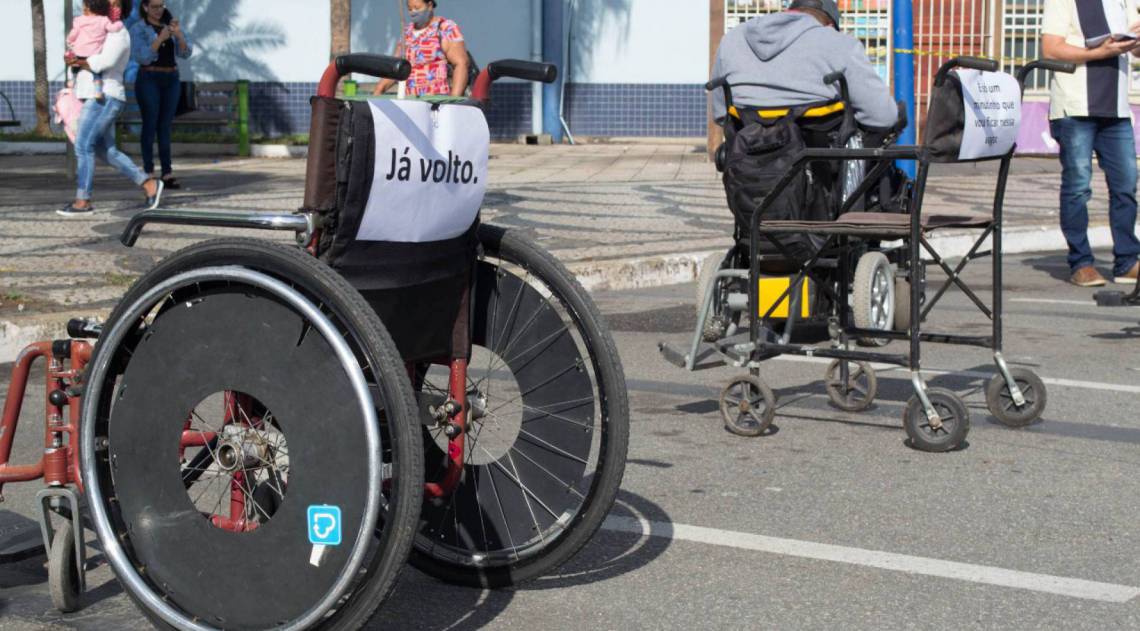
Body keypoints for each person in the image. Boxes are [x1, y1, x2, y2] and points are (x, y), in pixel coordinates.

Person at [1042, 0, 1140, 286]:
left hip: (1117, 109)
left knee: (1126, 186)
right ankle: (1081, 262)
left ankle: (1127, 260)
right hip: (1075, 108)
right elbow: (1050, 48)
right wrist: (1097, 52)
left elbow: (1133, 49)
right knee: (1077, 188)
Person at [710, 0, 897, 130]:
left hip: (748, 165)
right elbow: (883, 117)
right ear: (829, 25)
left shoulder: (732, 39)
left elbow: (721, 115)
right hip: (819, 175)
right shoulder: (841, 44)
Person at [60, 0, 163, 218]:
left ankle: (83, 201)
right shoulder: (97, 30)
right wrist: (75, 59)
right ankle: (148, 183)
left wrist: (79, 60)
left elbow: (103, 62)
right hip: (92, 95)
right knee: (105, 151)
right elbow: (82, 56)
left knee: (83, 146)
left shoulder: (119, 34)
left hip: (105, 96)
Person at [130, 0, 193, 190]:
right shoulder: (138, 29)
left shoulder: (170, 27)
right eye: (155, 6)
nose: (159, 10)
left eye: (161, 6)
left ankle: (167, 172)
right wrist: (159, 38)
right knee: (150, 123)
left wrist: (179, 35)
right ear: (145, 7)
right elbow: (141, 57)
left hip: (171, 78)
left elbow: (185, 54)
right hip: (149, 76)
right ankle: (148, 172)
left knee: (165, 126)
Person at [372, 0, 470, 97]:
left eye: (417, 8)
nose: (413, 12)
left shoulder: (445, 28)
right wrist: (379, 90)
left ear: (430, 5)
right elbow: (396, 68)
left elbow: (461, 64)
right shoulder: (407, 32)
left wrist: (453, 100)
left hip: (435, 101)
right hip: (409, 101)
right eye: (410, 9)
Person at [66, 0, 124, 101]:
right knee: (96, 73)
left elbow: (74, 33)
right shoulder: (104, 20)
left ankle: (72, 80)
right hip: (93, 53)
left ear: (87, 7)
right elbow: (112, 28)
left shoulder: (79, 20)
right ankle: (98, 90)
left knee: (75, 65)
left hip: (79, 51)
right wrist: (119, 24)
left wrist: (70, 40)